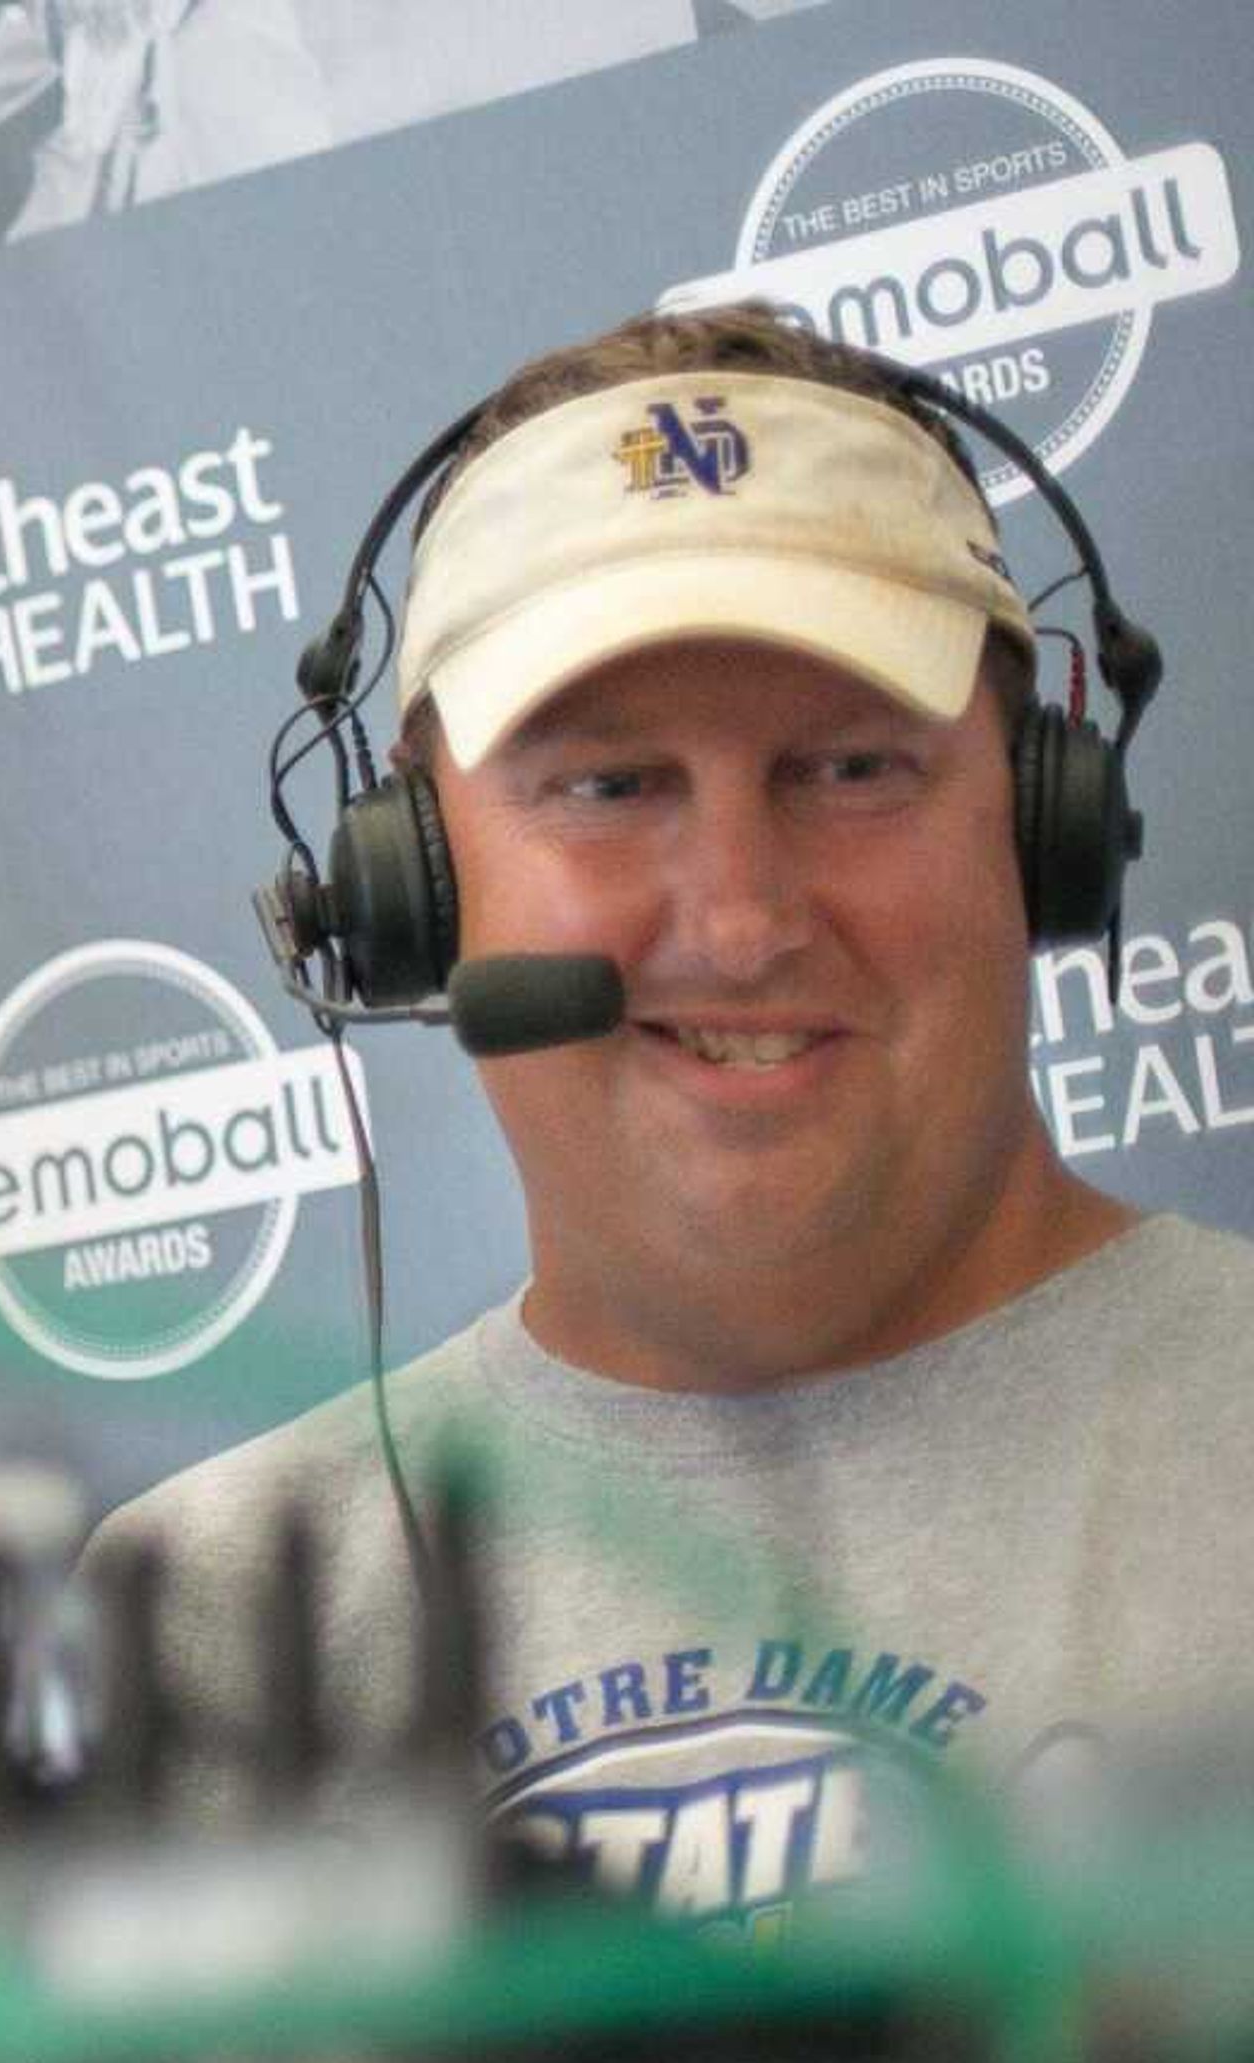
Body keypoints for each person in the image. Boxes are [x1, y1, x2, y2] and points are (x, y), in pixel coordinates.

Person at [95, 306, 1254, 1919]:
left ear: (1048, 828)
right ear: (412, 894)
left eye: (852, 768)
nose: (740, 919)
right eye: (608, 785)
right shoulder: (194, 1637)